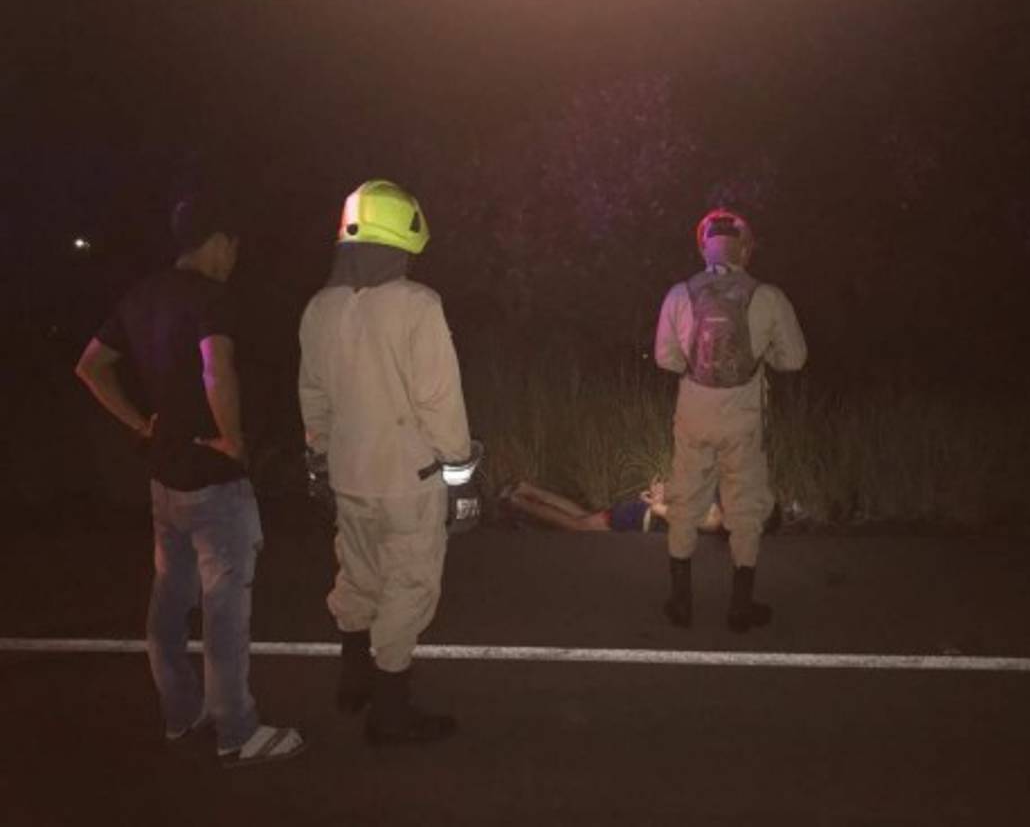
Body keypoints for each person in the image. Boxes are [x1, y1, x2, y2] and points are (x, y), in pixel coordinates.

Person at [74, 195, 305, 767]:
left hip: (165, 477)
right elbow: (214, 367)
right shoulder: (210, 298)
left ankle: (180, 713)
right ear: (216, 241)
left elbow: (90, 366)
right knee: (224, 605)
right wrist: (232, 438)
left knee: (170, 598)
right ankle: (237, 731)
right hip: (212, 477)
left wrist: (140, 425)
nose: (234, 259)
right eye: (233, 247)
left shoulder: (141, 295)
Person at [298, 180, 478, 745]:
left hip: (348, 476)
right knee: (410, 585)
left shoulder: (320, 307)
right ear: (404, 238)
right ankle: (391, 711)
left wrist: (319, 460)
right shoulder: (418, 305)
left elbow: (313, 396)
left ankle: (353, 679)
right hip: (408, 480)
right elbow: (440, 402)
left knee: (358, 572)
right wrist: (461, 475)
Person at [654, 208, 807, 632]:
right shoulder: (767, 296)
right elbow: (794, 359)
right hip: (742, 417)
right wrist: (763, 354)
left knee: (685, 501)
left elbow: (666, 359)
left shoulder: (679, 294)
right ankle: (740, 606)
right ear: (745, 248)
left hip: (694, 411)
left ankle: (680, 602)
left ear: (703, 247)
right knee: (746, 506)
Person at [499, 478, 723, 534]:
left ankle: (525, 489)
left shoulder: (713, 488)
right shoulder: (718, 506)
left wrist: (661, 494)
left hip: (639, 513)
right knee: (579, 526)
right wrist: (661, 506)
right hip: (636, 517)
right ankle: (517, 501)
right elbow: (709, 521)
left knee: (583, 516)